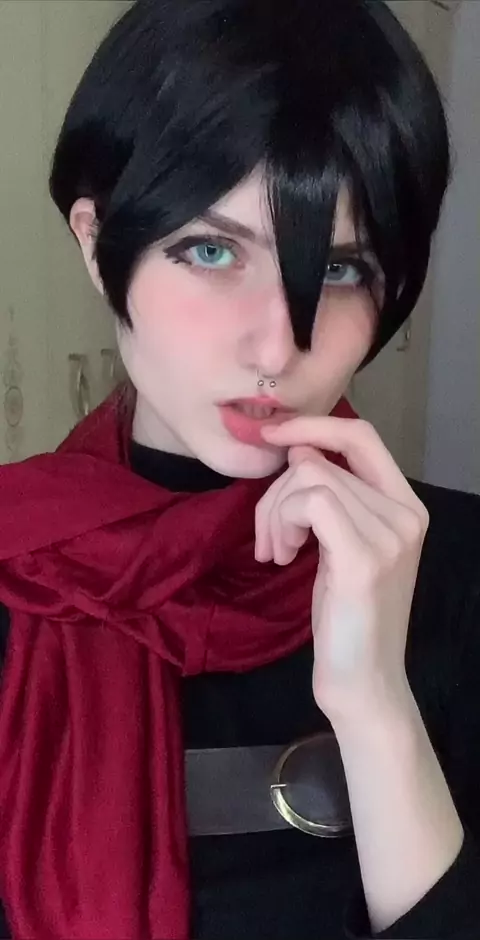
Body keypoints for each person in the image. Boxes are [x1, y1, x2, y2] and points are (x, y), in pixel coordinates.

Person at [0, 0, 479, 937]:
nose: (276, 344)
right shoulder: (19, 564)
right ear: (98, 245)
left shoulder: (459, 574)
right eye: (212, 250)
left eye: (338, 269)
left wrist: (376, 706)